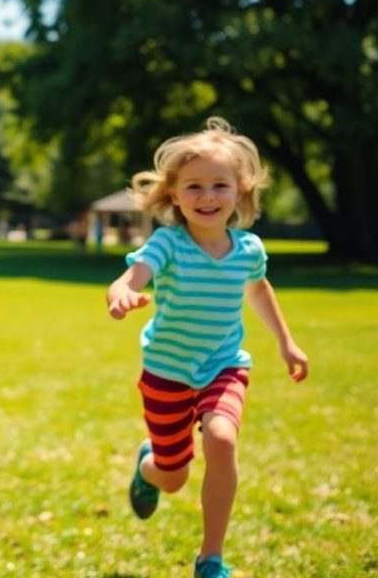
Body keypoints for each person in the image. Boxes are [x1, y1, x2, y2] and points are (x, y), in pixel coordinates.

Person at [105, 117, 309, 578]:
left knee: (221, 438)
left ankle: (210, 559)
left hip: (224, 366)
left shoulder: (249, 249)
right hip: (166, 373)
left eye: (220, 185)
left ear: (240, 191)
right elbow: (131, 277)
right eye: (194, 186)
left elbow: (259, 290)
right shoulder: (168, 244)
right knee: (172, 478)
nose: (208, 196)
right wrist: (121, 293)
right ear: (174, 195)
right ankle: (148, 468)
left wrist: (287, 343)